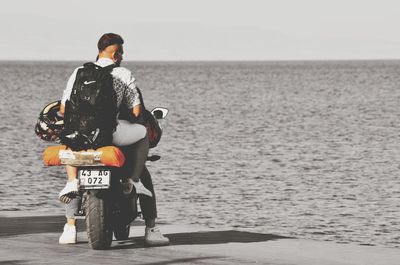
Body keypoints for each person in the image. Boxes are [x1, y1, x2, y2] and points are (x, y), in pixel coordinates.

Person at [57, 33, 169, 246]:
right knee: (142, 135)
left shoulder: (78, 72)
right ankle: (149, 225)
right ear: (116, 54)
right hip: (110, 134)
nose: (123, 57)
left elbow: (64, 108)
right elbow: (136, 112)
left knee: (76, 167)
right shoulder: (123, 73)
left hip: (81, 136)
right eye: (122, 53)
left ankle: (70, 227)